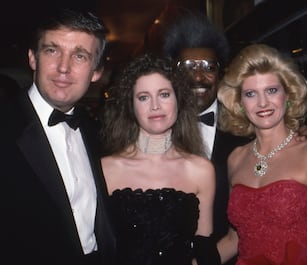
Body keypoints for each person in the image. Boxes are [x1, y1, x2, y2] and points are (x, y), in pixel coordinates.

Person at [0, 8, 116, 265]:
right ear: (32, 58)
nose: (64, 67)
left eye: (80, 55)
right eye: (52, 50)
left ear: (96, 72)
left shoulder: (94, 131)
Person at [216, 44, 307, 265]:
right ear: (239, 103)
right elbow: (234, 240)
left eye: (272, 90)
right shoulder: (236, 158)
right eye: (251, 94)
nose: (263, 103)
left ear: (288, 95)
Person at [99, 53, 220, 265]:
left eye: (164, 94)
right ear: (131, 106)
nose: (155, 106)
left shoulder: (201, 170)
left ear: (178, 100)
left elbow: (205, 251)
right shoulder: (106, 169)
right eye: (143, 97)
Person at [162, 11, 251, 251]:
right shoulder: (155, 127)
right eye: (188, 66)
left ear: (220, 73)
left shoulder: (246, 132)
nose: (198, 76)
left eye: (208, 67)